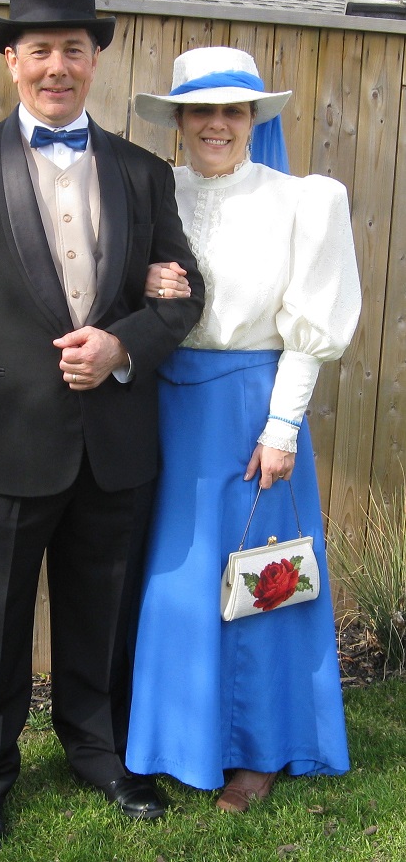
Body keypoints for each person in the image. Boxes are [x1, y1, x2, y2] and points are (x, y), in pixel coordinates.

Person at [0, 0, 203, 854]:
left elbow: (185, 296)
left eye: (74, 48)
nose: (56, 66)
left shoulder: (146, 174)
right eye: (39, 50)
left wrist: (124, 344)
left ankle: (100, 751)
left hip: (113, 437)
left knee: (101, 606)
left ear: (96, 57)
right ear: (12, 60)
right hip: (0, 443)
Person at [125, 46, 362, 812]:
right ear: (181, 121)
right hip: (164, 405)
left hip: (251, 410)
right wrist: (148, 284)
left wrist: (283, 425)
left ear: (254, 117)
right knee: (174, 582)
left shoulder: (304, 200)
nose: (216, 124)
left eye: (233, 110)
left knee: (261, 580)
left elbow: (310, 327)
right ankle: (172, 738)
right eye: (202, 110)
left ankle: (256, 751)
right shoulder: (153, 192)